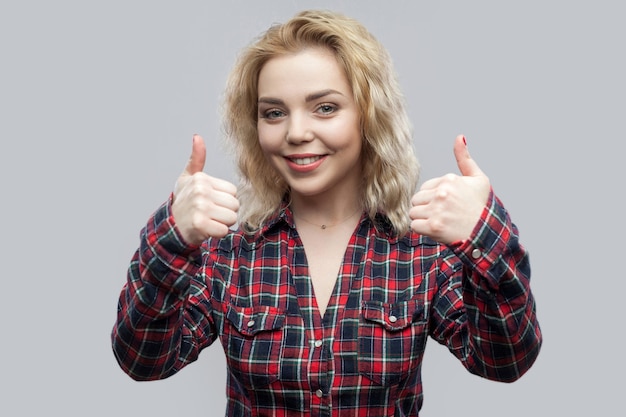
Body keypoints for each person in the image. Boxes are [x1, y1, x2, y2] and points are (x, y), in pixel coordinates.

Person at [111, 9, 542, 416]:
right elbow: (143, 360)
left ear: (369, 116)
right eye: (274, 113)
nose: (297, 132)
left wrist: (484, 232)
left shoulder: (423, 248)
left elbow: (505, 362)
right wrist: (172, 235)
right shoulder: (227, 251)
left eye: (325, 107)